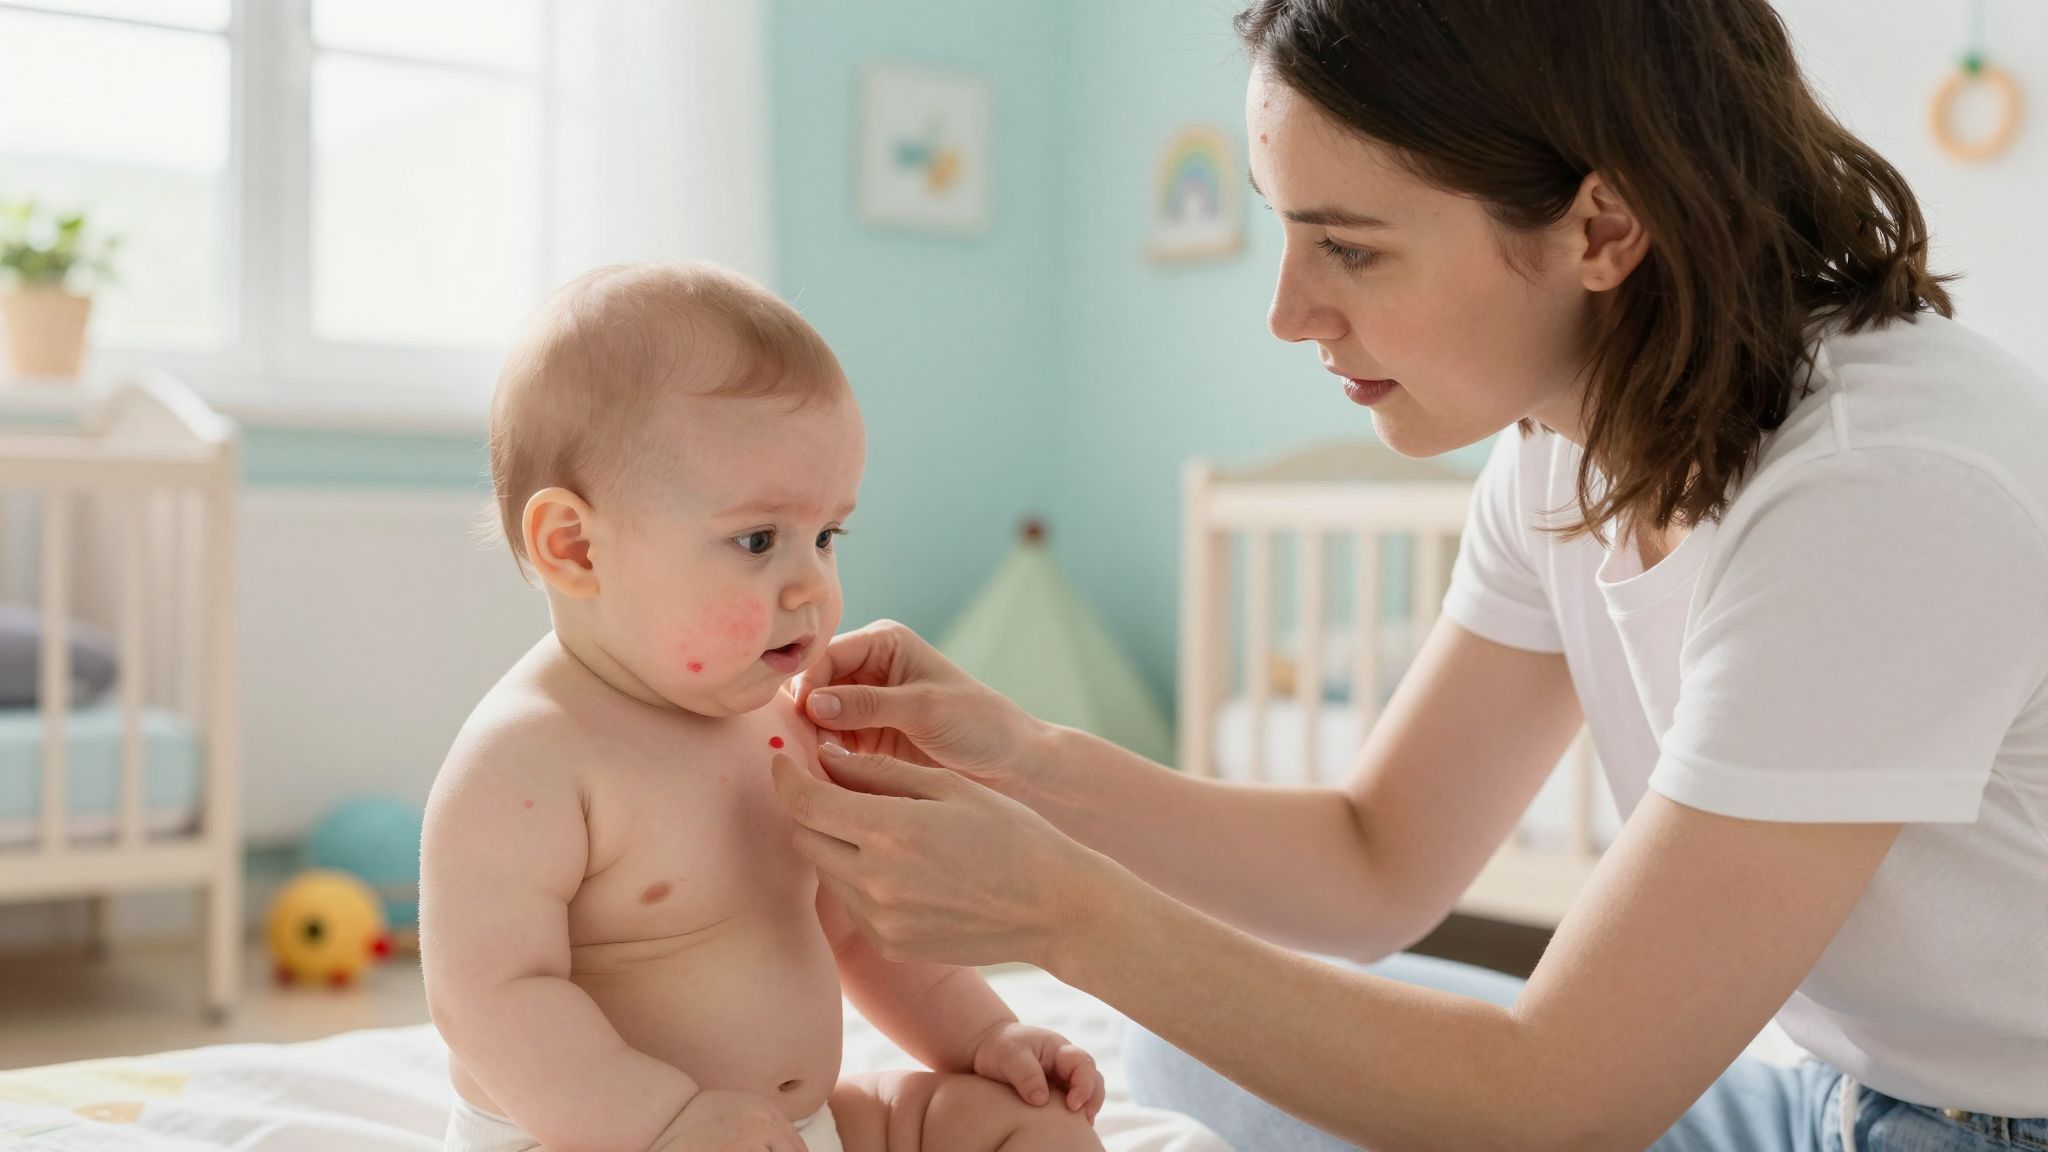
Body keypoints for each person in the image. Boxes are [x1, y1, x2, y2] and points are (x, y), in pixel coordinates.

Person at [769, 2, 2048, 1149]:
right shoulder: (1561, 448)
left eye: (1351, 249)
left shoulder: (1879, 492)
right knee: (1184, 1040)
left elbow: (1562, 1099)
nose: (1287, 311)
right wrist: (1023, 761)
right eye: (1288, 236)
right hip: (1832, 1099)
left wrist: (1068, 917)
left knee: (1176, 994)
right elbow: (1376, 860)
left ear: (1601, 227)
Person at [420, 262, 1107, 1152]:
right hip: (600, 1138)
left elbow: (861, 927)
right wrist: (659, 1122)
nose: (812, 584)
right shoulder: (529, 760)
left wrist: (985, 1038)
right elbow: (488, 997)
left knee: (1019, 1126)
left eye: (826, 536)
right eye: (758, 540)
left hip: (796, 1128)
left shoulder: (781, 725)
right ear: (575, 548)